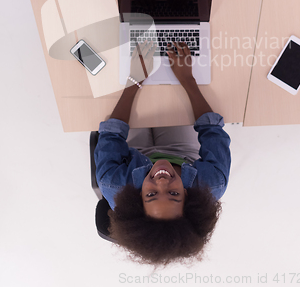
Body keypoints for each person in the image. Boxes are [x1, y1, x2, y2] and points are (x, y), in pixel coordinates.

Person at [94, 40, 231, 266]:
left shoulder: (114, 185)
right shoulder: (211, 185)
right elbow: (212, 131)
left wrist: (135, 80)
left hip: (134, 154)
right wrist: (187, 79)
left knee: (141, 103)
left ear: (138, 200)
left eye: (151, 194)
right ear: (188, 197)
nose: (162, 181)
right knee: (173, 99)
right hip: (183, 155)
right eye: (174, 194)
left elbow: (112, 134)